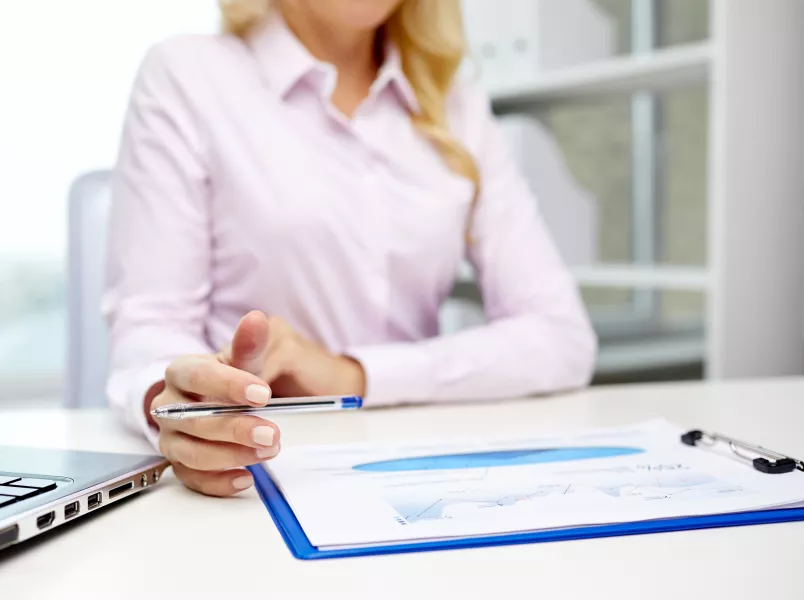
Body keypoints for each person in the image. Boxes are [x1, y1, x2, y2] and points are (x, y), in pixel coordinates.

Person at [104, 0, 597, 497]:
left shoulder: (456, 105)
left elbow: (561, 337)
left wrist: (354, 375)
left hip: (419, 468)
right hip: (256, 470)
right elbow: (151, 330)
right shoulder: (188, 76)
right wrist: (180, 408)